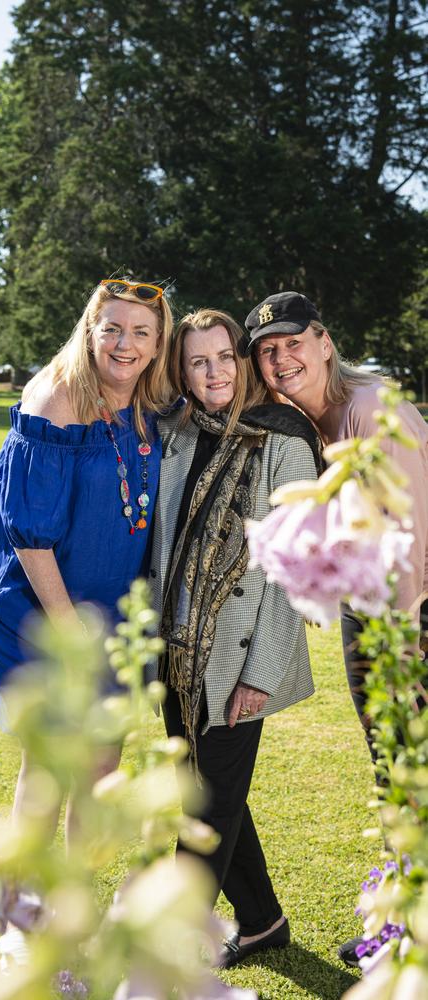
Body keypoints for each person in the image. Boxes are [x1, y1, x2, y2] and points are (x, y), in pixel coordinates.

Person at [245, 290, 428, 965]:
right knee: (396, 775)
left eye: (293, 342)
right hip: (373, 610)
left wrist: (403, 654)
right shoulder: (318, 420)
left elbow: (407, 542)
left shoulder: (367, 411)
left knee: (412, 771)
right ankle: (403, 923)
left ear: (324, 342)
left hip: (409, 613)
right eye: (268, 351)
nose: (281, 358)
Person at [149, 307, 321, 968]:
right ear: (184, 371)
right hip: (175, 649)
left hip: (238, 655)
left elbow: (291, 571)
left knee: (205, 806)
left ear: (243, 362)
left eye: (224, 356)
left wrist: (264, 671)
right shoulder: (184, 433)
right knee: (202, 791)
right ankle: (262, 921)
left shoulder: (283, 438)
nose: (213, 371)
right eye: (198, 360)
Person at [0, 277, 174, 818]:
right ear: (90, 332)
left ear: (158, 344)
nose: (124, 344)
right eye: (111, 329)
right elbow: (29, 535)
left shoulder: (151, 403)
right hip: (38, 603)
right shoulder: (55, 399)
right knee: (52, 763)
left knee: (103, 764)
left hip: (112, 602)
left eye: (140, 333)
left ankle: (74, 902)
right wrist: (65, 623)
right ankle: (19, 903)